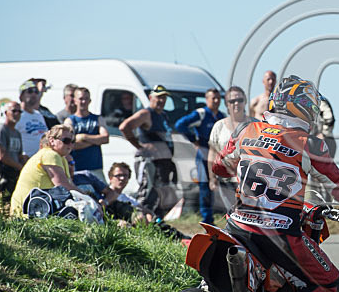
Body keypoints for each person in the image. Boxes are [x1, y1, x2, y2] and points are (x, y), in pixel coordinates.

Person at [213, 75, 339, 292]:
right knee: (331, 284)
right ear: (303, 108)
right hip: (281, 236)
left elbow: (219, 166)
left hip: (236, 224)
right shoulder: (309, 144)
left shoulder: (245, 130)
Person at [119, 84, 177, 216]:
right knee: (146, 194)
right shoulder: (146, 113)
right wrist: (140, 146)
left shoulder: (163, 115)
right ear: (151, 97)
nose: (161, 101)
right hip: (149, 161)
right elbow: (124, 127)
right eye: (158, 98)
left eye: (164, 98)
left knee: (160, 196)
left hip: (162, 162)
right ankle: (139, 223)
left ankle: (155, 225)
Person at [175, 88, 225, 223]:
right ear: (207, 99)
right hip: (203, 153)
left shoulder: (221, 116)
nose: (216, 101)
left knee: (216, 185)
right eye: (213, 98)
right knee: (204, 185)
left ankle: (216, 216)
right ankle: (207, 218)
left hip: (216, 154)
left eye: (218, 98)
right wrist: (193, 139)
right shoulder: (202, 113)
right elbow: (180, 125)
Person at [10, 124, 80, 216]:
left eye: (72, 141)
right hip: (27, 213)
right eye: (66, 141)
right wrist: (88, 199)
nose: (70, 145)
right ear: (52, 141)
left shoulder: (61, 158)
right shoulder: (50, 154)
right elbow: (63, 186)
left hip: (38, 208)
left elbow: (70, 185)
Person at [207, 86, 256, 211]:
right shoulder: (219, 126)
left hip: (250, 179)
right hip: (226, 179)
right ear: (226, 104)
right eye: (231, 101)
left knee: (249, 213)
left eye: (239, 100)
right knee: (231, 213)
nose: (236, 104)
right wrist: (212, 179)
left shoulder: (256, 125)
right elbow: (212, 154)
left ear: (245, 101)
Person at [64, 87, 109, 181]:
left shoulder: (97, 119)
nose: (83, 102)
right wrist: (95, 141)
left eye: (86, 99)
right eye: (80, 99)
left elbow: (105, 138)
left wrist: (83, 137)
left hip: (96, 167)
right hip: (77, 168)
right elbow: (70, 144)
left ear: (90, 101)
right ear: (75, 100)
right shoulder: (70, 121)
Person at [0, 101, 28, 192]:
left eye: (19, 111)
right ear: (6, 113)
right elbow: (1, 156)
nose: (17, 114)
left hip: (13, 174)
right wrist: (19, 167)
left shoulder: (17, 133)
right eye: (13, 111)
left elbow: (18, 155)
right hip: (1, 175)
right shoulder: (1, 130)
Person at [15, 80, 49, 158]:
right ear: (21, 96)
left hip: (42, 159)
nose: (33, 94)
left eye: (36, 92)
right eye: (30, 91)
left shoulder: (38, 115)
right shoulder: (18, 115)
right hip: (26, 160)